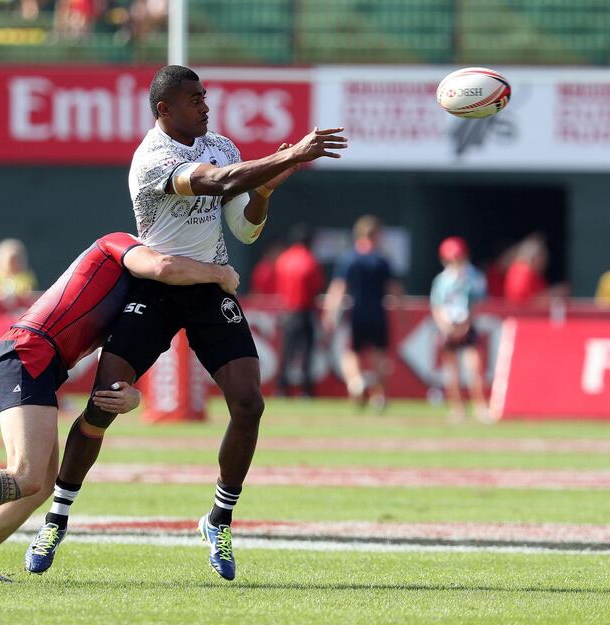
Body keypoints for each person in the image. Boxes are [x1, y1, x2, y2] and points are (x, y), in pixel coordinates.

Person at [24, 65, 346, 581]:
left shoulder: (222, 143)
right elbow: (213, 182)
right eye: (193, 99)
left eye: (204, 96)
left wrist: (266, 187)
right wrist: (288, 154)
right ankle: (56, 518)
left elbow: (244, 225)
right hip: (153, 289)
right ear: (164, 110)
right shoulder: (151, 158)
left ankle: (218, 518)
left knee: (249, 402)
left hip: (207, 289)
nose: (205, 105)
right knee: (104, 404)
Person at [0, 232, 241, 583]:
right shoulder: (118, 244)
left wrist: (132, 395)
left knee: (41, 485)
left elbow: (125, 354)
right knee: (25, 473)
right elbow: (164, 265)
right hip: (26, 352)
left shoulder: (139, 292)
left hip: (42, 363)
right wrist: (219, 273)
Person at [322, 215, 400, 411]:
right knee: (380, 355)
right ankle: (379, 397)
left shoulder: (349, 258)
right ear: (374, 234)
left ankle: (356, 382)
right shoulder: (382, 260)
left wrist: (330, 313)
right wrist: (402, 311)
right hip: (378, 313)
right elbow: (394, 289)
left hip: (356, 313)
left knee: (351, 353)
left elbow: (339, 288)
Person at [430, 237, 491, 424]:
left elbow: (479, 303)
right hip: (449, 327)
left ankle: (480, 406)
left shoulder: (474, 277)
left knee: (474, 367)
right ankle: (457, 407)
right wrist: (445, 326)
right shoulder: (442, 280)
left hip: (467, 325)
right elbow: (436, 306)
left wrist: (466, 324)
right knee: (452, 370)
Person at [273, 225, 324, 397]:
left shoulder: (283, 259)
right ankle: (306, 390)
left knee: (286, 351)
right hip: (304, 310)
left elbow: (278, 286)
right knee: (306, 352)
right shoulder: (310, 260)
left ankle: (281, 388)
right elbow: (315, 287)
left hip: (287, 311)